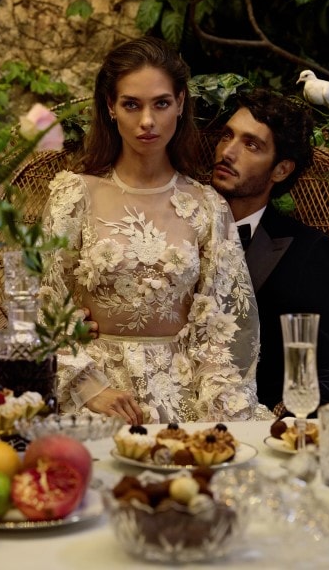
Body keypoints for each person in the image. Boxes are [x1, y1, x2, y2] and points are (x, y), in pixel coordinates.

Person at [39, 37, 269, 424]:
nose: (147, 121)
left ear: (180, 103)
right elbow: (38, 303)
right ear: (110, 107)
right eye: (132, 104)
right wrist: (87, 387)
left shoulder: (208, 207)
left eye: (161, 103)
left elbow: (225, 328)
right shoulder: (73, 196)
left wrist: (217, 418)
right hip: (93, 396)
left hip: (185, 398)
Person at [211, 88, 329, 413]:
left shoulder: (310, 252)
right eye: (227, 136)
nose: (228, 152)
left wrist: (288, 413)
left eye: (251, 144)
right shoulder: (172, 228)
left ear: (280, 170)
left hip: (259, 429)